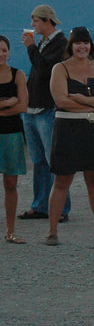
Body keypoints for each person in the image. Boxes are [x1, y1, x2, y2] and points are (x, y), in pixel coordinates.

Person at [45, 27, 94, 246]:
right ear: (71, 45)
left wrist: (81, 99)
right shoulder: (60, 69)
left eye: (85, 42)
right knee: (62, 180)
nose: (82, 47)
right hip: (67, 129)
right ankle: (52, 231)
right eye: (78, 43)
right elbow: (61, 101)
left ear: (90, 45)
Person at [18, 4, 71, 222]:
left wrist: (31, 48)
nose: (32, 25)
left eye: (36, 21)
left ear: (47, 21)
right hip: (32, 109)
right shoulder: (45, 42)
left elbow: (46, 70)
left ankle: (62, 209)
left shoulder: (60, 43)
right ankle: (40, 205)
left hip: (47, 110)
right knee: (39, 160)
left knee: (53, 161)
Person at [0, 36, 28, 244]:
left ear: (9, 52)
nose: (1, 54)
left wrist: (14, 103)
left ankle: (10, 231)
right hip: (9, 126)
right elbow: (15, 104)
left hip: (11, 134)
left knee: (11, 183)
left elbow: (23, 107)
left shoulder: (18, 75)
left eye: (3, 50)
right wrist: (7, 102)